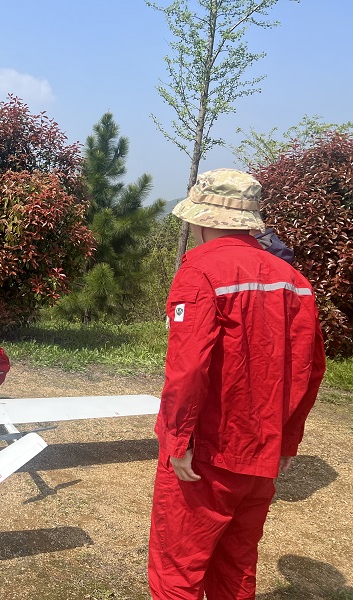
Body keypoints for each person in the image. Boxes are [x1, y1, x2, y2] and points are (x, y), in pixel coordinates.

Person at [148, 168, 326, 599]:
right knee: (237, 564)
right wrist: (287, 442)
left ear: (201, 218)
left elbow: (188, 368)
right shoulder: (295, 281)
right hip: (263, 452)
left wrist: (177, 439)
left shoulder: (201, 270)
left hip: (210, 450)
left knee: (178, 568)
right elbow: (311, 369)